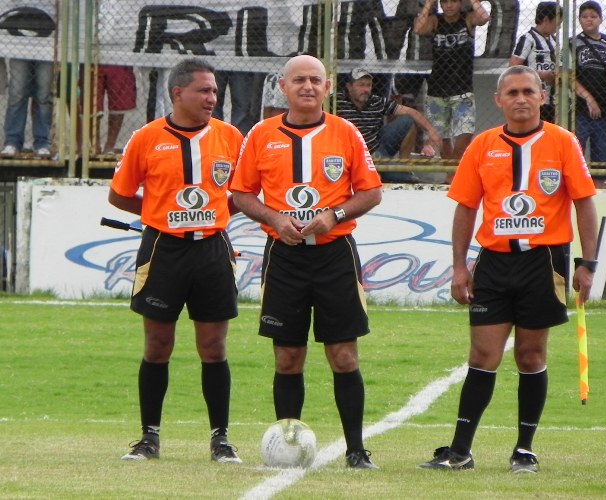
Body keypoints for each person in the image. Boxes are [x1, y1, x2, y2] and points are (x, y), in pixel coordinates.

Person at [419, 66, 598, 474]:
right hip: (494, 262)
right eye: (512, 92)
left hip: (544, 262)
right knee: (483, 354)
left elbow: (584, 202)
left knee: (530, 355)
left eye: (528, 91)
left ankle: (524, 450)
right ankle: (461, 451)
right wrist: (459, 267)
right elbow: (466, 207)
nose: (520, 98)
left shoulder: (563, 143)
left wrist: (588, 264)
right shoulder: (482, 146)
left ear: (542, 97)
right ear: (498, 100)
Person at [230, 54, 382, 470]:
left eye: (316, 80)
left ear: (328, 86)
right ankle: (288, 442)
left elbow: (371, 192)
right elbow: (241, 194)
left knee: (344, 356)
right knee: (288, 358)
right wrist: (275, 218)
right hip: (284, 257)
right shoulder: (260, 135)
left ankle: (356, 449)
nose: (308, 87)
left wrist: (333, 215)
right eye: (299, 80)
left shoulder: (346, 133)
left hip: (335, 255)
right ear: (283, 87)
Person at [108, 58, 243, 464]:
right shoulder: (146, 138)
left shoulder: (231, 137)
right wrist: (159, 213)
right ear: (177, 93)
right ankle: (149, 438)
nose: (212, 98)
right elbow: (118, 195)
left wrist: (220, 211)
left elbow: (248, 191)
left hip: (212, 249)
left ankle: (220, 439)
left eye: (215, 91)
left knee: (213, 346)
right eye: (204, 90)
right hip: (163, 249)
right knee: (157, 344)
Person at [335, 67, 443, 183]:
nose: (366, 89)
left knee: (407, 120)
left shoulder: (376, 101)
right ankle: (386, 172)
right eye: (361, 85)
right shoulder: (336, 102)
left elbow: (412, 112)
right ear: (349, 86)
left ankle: (403, 167)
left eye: (368, 85)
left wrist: (432, 132)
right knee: (405, 179)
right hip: (353, 153)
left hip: (375, 149)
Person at [413, 0, 490, 161]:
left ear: (460, 3)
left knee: (465, 131)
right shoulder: (435, 20)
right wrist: (428, 4)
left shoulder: (467, 19)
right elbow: (418, 29)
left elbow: (484, 18)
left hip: (462, 87)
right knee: (441, 134)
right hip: (437, 88)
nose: (449, 5)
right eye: (445, 2)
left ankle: (455, 166)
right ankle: (450, 173)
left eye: (453, 1)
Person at [571, 1, 606, 188]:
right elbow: (566, 75)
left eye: (593, 16)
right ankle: (575, 192)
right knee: (573, 158)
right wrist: (588, 97)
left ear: (601, 19)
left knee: (603, 162)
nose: (589, 20)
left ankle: (598, 194)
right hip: (578, 111)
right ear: (579, 19)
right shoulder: (573, 43)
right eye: (585, 16)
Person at [509, 1, 562, 123]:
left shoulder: (554, 40)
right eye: (556, 23)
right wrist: (540, 75)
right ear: (546, 20)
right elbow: (513, 66)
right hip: (532, 98)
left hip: (551, 99)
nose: (557, 28)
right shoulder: (528, 39)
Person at [1, 57, 53, 157]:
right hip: (19, 44)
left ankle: (42, 143)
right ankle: (12, 142)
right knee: (17, 93)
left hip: (47, 46)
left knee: (44, 96)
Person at [80, 64, 137, 155]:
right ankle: (95, 146)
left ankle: (109, 147)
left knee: (119, 104)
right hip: (93, 58)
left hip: (119, 59)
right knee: (91, 104)